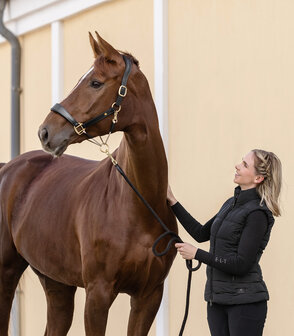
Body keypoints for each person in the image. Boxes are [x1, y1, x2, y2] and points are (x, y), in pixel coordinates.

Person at [167, 149, 282, 336]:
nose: (237, 166)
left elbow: (241, 264)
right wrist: (172, 201)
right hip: (217, 301)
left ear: (258, 178)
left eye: (245, 164)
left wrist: (197, 254)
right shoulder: (231, 204)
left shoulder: (257, 214)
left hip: (245, 304)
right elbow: (200, 233)